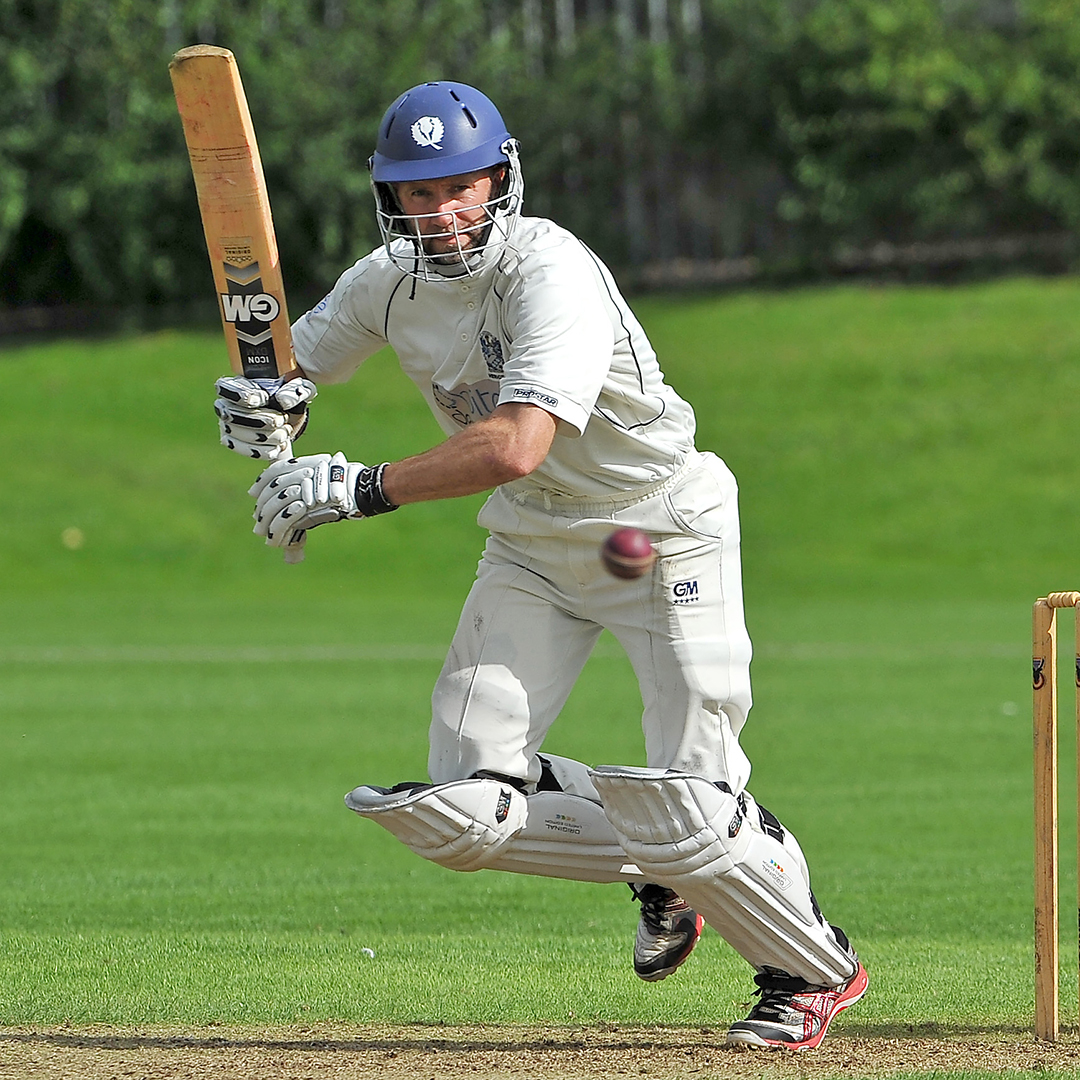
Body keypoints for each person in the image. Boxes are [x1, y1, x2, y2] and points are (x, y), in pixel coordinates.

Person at [213, 81, 868, 1050]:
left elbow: (517, 441)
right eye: (417, 194)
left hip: (658, 528)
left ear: (499, 180)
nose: (441, 212)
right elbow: (283, 361)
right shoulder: (387, 282)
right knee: (464, 805)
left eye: (459, 186)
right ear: (390, 201)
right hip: (534, 541)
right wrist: (260, 403)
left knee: (696, 803)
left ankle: (809, 967)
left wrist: (356, 486)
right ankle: (660, 865)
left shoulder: (548, 270)